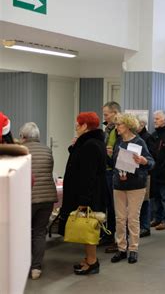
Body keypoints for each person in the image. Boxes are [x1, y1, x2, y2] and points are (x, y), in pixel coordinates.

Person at [59, 112, 107, 275]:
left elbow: (89, 175)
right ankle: (89, 258)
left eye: (78, 124)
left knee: (88, 227)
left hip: (88, 195)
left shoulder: (90, 145)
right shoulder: (90, 143)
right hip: (88, 193)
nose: (76, 127)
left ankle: (92, 262)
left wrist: (84, 200)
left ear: (85, 126)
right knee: (87, 226)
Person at [111, 113, 154, 264]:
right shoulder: (118, 142)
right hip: (119, 184)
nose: (116, 128)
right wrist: (109, 155)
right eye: (116, 125)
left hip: (136, 185)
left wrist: (143, 160)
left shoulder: (139, 142)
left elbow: (151, 162)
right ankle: (121, 248)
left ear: (128, 126)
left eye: (119, 125)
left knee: (132, 218)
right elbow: (114, 164)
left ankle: (133, 249)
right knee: (120, 219)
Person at [19, 122, 58, 280]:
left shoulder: (21, 151)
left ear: (23, 137)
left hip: (27, 198)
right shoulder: (47, 150)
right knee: (40, 232)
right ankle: (36, 268)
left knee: (24, 233)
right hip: (47, 197)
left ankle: (23, 265)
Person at [102, 101, 122, 252]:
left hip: (114, 171)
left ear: (115, 113)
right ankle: (109, 235)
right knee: (109, 206)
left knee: (116, 208)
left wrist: (110, 153)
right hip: (106, 170)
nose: (105, 117)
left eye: (106, 114)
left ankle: (118, 239)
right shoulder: (108, 130)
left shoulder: (118, 130)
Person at [136, 114, 153, 237]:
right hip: (135, 173)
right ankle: (141, 226)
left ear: (142, 125)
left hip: (145, 173)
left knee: (145, 201)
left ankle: (145, 227)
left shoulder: (147, 138)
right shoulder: (135, 137)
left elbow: (151, 157)